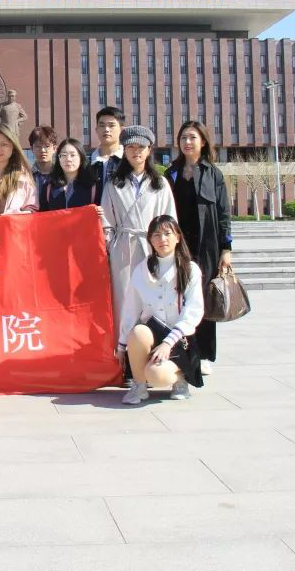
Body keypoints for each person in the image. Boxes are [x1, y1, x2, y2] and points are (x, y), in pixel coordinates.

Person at [166, 120, 233, 376]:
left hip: (206, 246)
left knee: (202, 299)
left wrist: (226, 249)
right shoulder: (171, 173)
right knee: (178, 298)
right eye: (183, 137)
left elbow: (224, 213)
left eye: (192, 137)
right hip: (178, 246)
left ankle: (204, 354)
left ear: (203, 142)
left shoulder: (213, 174)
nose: (187, 142)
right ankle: (181, 351)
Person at [116, 215, 204, 404]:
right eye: (156, 235)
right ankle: (139, 386)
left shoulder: (190, 269)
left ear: (178, 237)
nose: (162, 239)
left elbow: (194, 311)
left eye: (167, 233)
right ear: (150, 240)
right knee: (138, 332)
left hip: (180, 339)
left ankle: (180, 379)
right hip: (153, 333)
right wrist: (122, 345)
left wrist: (168, 343)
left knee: (156, 375)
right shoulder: (142, 270)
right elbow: (131, 308)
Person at [101, 125, 177, 336]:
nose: (136, 151)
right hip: (123, 248)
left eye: (141, 147)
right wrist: (112, 245)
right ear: (124, 150)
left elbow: (169, 219)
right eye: (131, 147)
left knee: (154, 299)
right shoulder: (113, 183)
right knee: (123, 300)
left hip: (153, 247)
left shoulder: (160, 183)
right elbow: (106, 221)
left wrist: (165, 248)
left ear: (149, 150)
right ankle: (123, 348)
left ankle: (152, 345)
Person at [38, 137, 98, 211]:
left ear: (81, 158)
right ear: (59, 159)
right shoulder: (49, 186)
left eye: (72, 155)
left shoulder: (92, 187)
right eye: (63, 155)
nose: (68, 159)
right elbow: (42, 214)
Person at [90, 106, 124, 203]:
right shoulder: (86, 163)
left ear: (121, 130)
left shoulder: (129, 161)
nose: (106, 129)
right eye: (102, 125)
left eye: (111, 125)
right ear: (96, 130)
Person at [28, 126, 58, 196]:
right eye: (38, 146)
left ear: (54, 148)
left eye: (47, 146)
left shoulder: (61, 174)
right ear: (32, 149)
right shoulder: (26, 175)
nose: (42, 150)